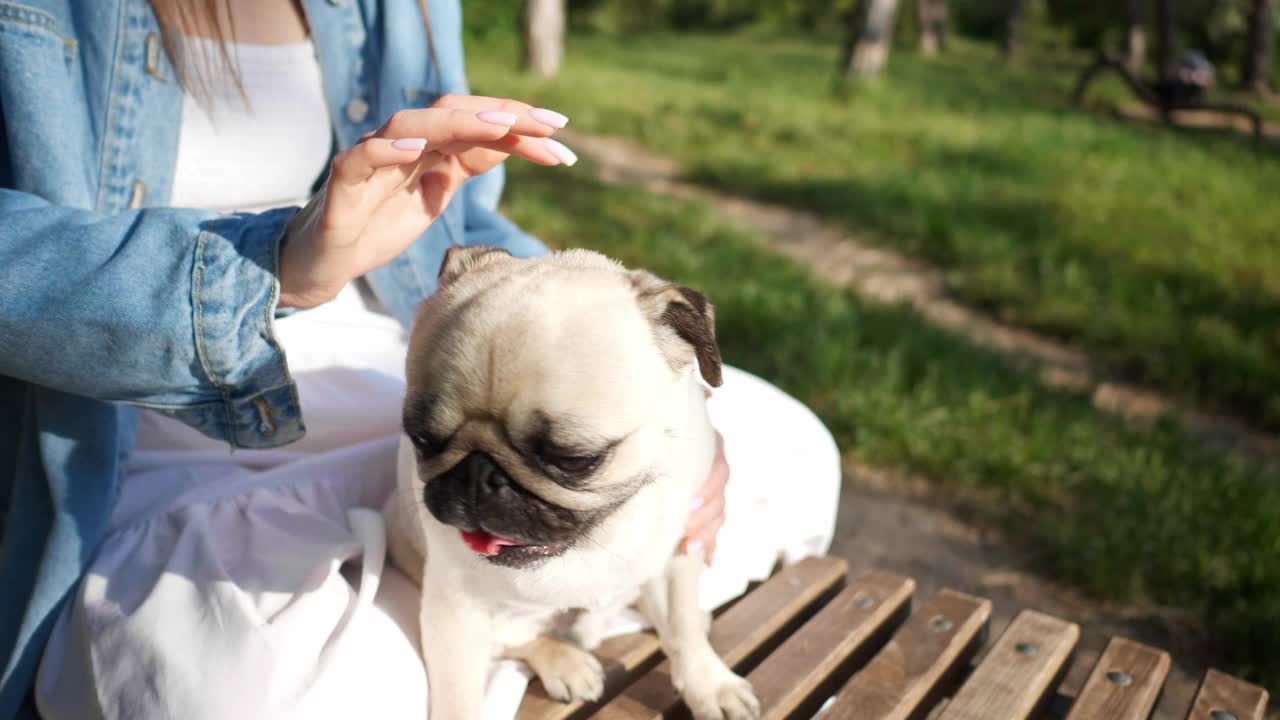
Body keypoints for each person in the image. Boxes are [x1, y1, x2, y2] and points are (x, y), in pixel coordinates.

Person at [0, 1, 841, 718]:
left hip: (414, 348)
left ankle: (530, 621)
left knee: (795, 448)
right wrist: (275, 263)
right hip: (143, 383)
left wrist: (663, 398)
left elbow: (464, 233)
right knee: (244, 685)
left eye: (564, 454)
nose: (482, 490)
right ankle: (527, 630)